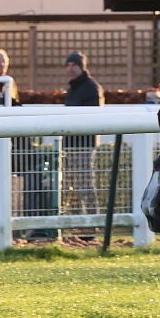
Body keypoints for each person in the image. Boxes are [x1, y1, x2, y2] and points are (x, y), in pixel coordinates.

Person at [62, 50, 104, 218]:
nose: (71, 68)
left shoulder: (91, 87)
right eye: (68, 65)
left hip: (84, 144)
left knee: (84, 183)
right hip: (69, 144)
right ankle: (77, 220)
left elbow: (93, 117)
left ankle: (92, 221)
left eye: (74, 65)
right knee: (70, 184)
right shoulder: (72, 88)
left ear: (82, 67)